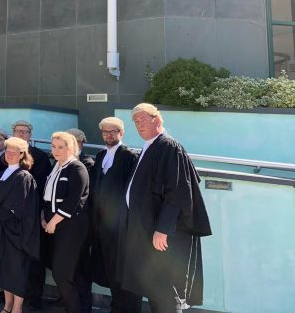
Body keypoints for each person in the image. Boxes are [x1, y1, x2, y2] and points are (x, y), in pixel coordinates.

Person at [118, 103, 212, 313]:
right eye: (136, 122)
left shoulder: (169, 147)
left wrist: (163, 229)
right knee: (153, 288)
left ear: (157, 120)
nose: (139, 125)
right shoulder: (149, 147)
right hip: (146, 231)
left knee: (165, 289)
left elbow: (177, 191)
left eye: (143, 120)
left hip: (161, 234)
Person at [0, 137, 40, 313]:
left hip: (16, 232)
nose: (10, 154)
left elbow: (17, 205)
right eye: (8, 151)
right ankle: (7, 305)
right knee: (5, 271)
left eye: (15, 152)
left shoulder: (23, 176)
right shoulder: (1, 174)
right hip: (0, 229)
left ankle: (17, 308)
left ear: (22, 154)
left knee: (16, 271)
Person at [90, 116, 141, 313]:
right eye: (105, 132)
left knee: (123, 269)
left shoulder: (129, 156)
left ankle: (128, 308)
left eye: (113, 131)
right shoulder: (101, 155)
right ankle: (117, 306)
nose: (109, 135)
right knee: (110, 268)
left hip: (121, 224)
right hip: (102, 224)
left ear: (121, 133)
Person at [41, 132, 90, 313]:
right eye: (53, 146)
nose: (56, 150)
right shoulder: (57, 166)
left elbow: (74, 200)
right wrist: (43, 217)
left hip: (70, 227)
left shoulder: (77, 168)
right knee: (63, 271)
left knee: (62, 273)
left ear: (71, 148)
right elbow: (47, 197)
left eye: (60, 147)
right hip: (54, 224)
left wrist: (53, 222)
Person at [12, 120, 50, 310]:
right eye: (18, 131)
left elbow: (42, 187)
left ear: (30, 134)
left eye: (25, 132)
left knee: (34, 257)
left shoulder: (40, 157)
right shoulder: (8, 156)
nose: (21, 134)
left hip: (32, 215)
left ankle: (35, 296)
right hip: (11, 217)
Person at [65, 127, 95, 313]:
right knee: (68, 267)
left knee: (81, 268)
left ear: (80, 143)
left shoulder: (87, 163)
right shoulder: (62, 162)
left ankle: (84, 306)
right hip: (64, 225)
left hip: (80, 224)